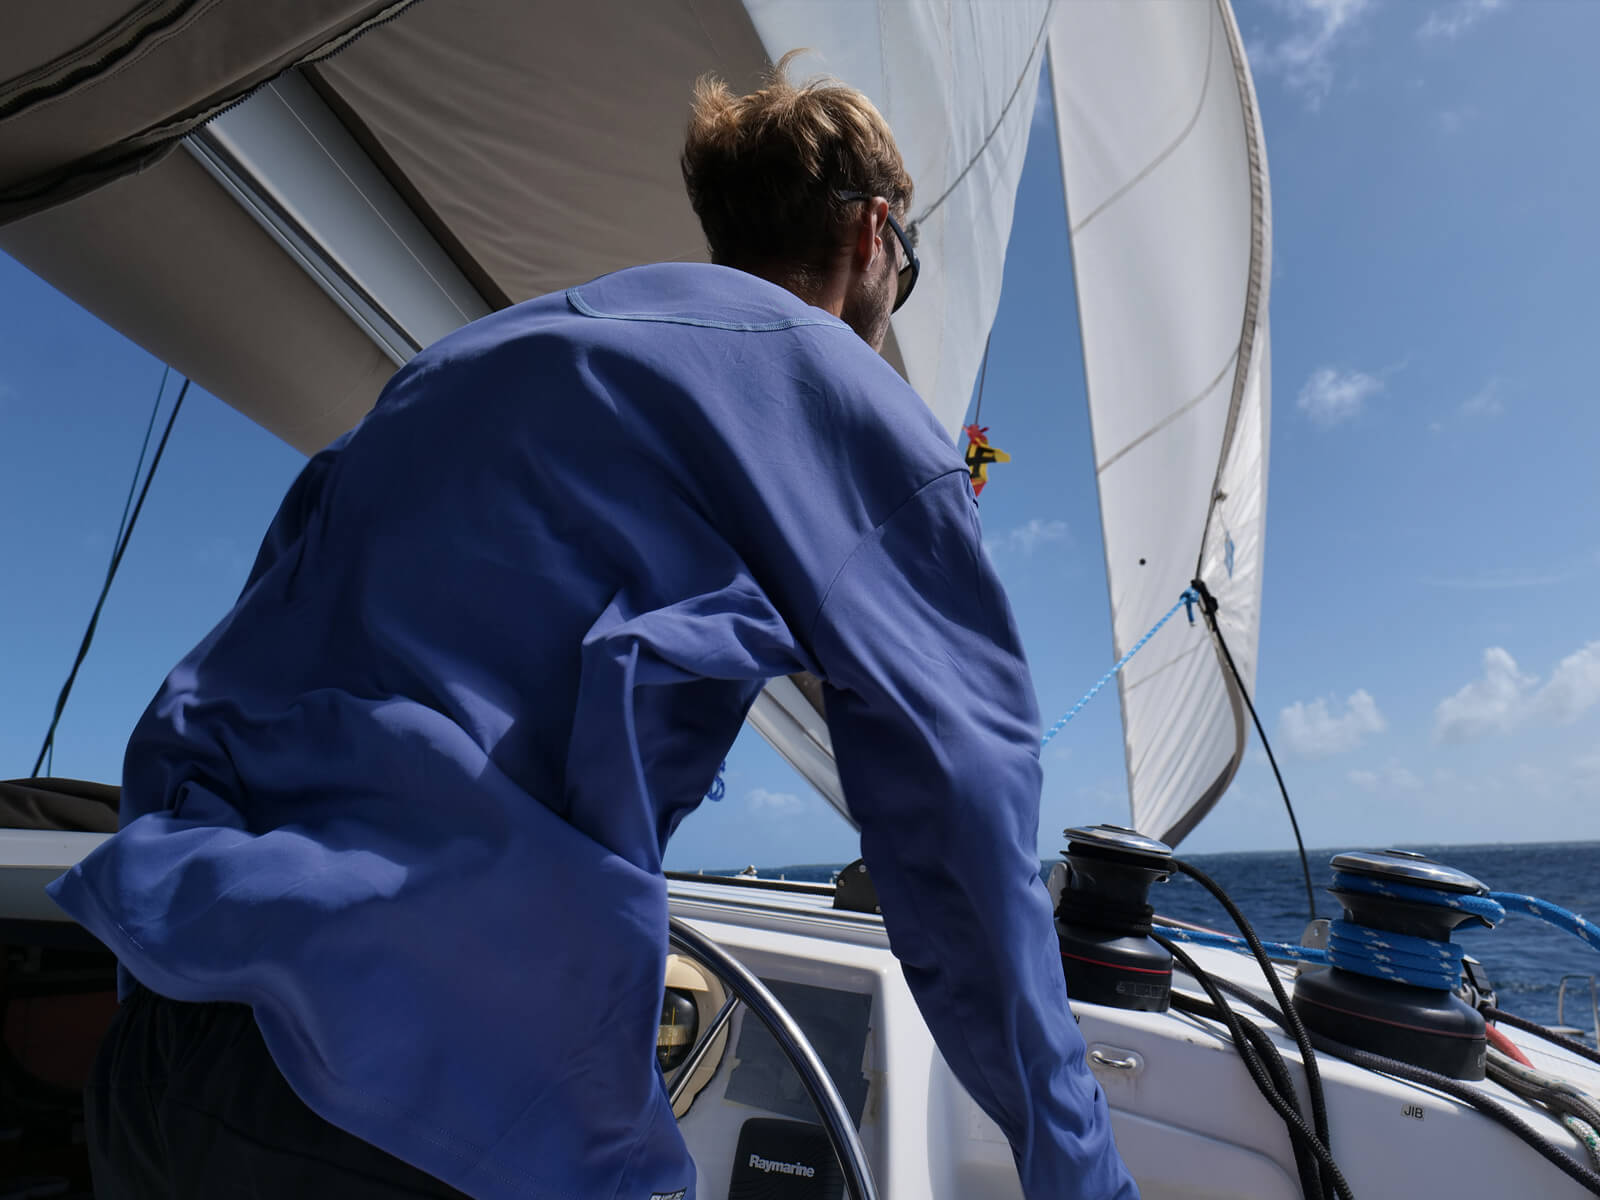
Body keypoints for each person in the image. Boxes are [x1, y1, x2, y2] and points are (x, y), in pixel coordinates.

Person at [48, 57, 1138, 1200]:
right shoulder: (848, 400)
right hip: (412, 1105)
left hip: (166, 1052)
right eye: (904, 271)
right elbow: (962, 819)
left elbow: (217, 685)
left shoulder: (459, 364)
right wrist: (1081, 1175)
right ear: (873, 234)